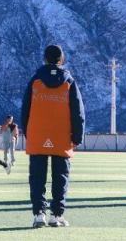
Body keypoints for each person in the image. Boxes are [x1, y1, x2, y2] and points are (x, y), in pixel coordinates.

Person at [21, 44, 85, 228]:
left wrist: (28, 133)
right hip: (61, 135)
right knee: (61, 176)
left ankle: (39, 215)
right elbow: (78, 112)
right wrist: (77, 136)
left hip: (38, 133)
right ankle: (56, 216)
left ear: (45, 59)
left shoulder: (35, 80)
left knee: (37, 176)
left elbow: (25, 109)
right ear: (61, 59)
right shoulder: (69, 81)